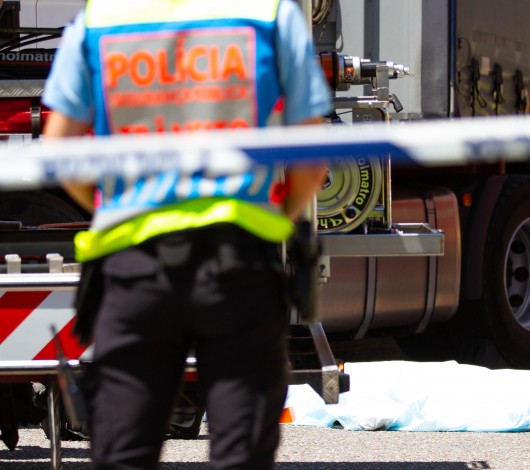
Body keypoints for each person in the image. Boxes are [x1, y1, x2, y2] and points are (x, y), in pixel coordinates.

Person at [41, 0, 331, 468]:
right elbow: (312, 158)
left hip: (133, 267)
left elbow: (58, 150)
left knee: (124, 454)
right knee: (242, 454)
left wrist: (117, 205)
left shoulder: (101, 19)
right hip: (239, 264)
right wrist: (272, 214)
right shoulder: (267, 13)